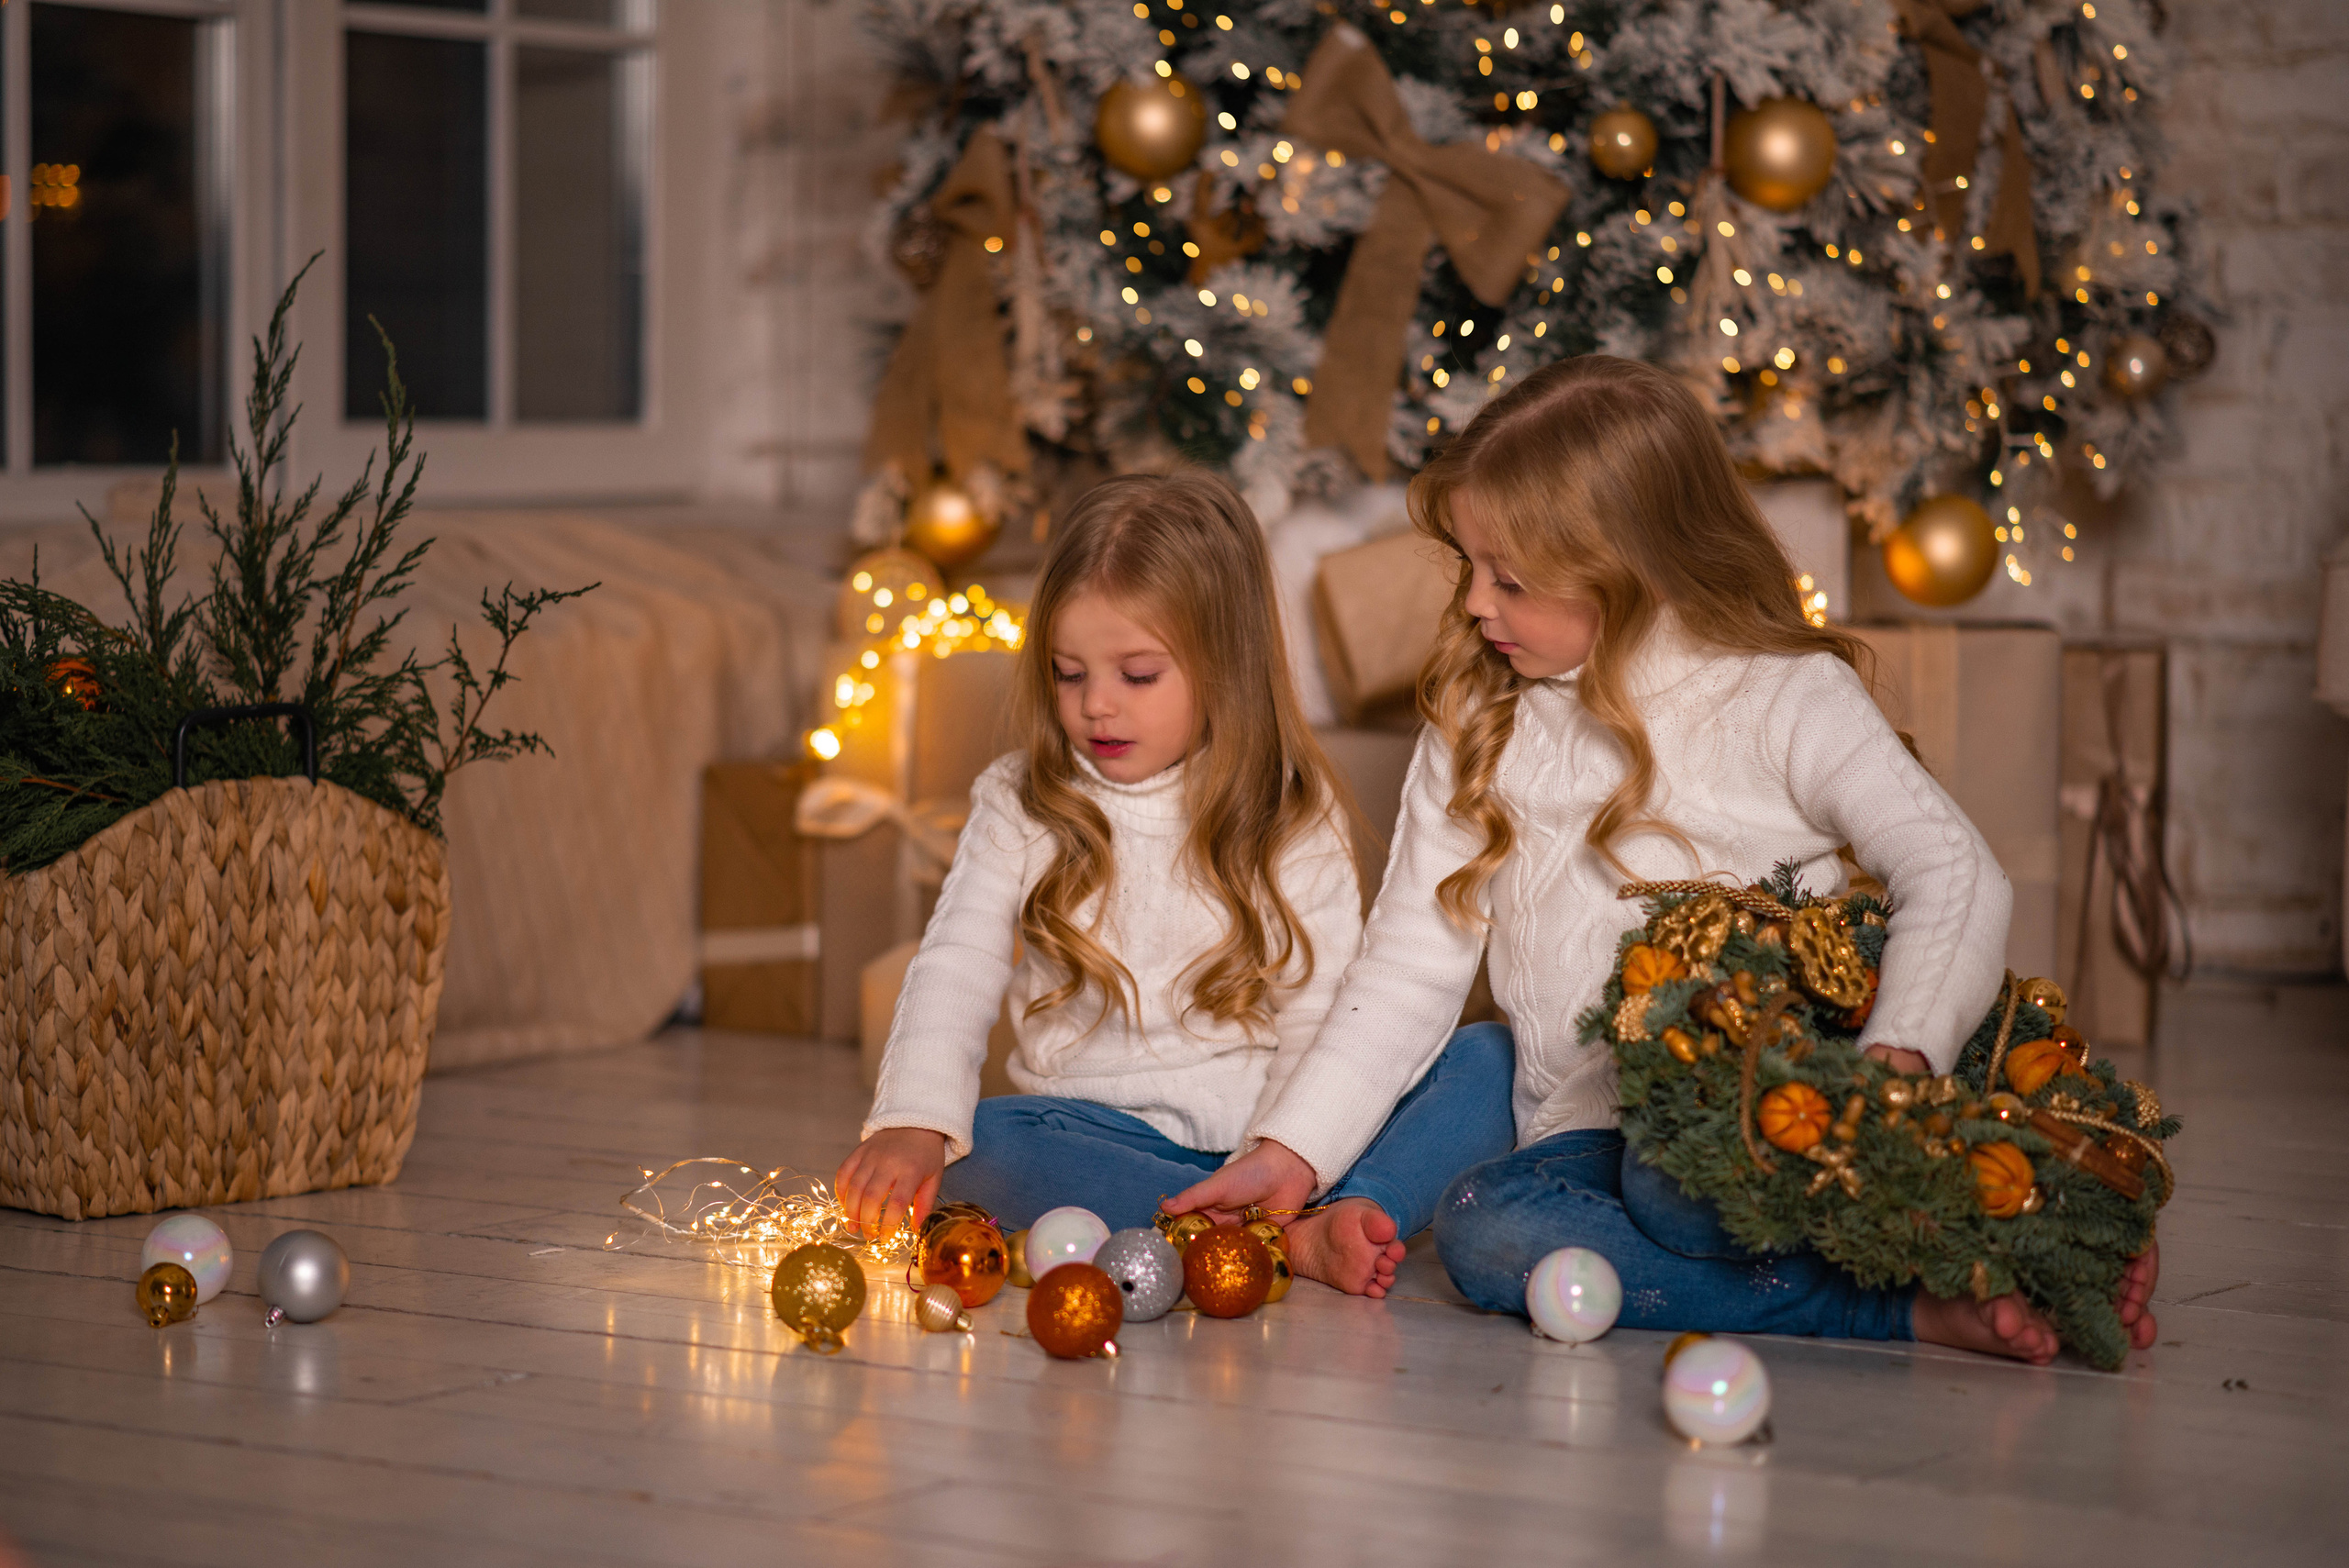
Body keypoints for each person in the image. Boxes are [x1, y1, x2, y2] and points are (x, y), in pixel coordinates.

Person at [1167, 356, 2160, 1362]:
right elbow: (1408, 966)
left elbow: (1955, 871)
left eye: (1506, 578)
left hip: (1747, 1123)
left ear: (1629, 567)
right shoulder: (1479, 714)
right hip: (1567, 1114)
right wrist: (1287, 1149)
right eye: (1468, 565)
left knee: (1660, 1195)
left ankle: (1929, 1263)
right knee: (1484, 1177)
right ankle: (1347, 1204)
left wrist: (1891, 1062)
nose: (1473, 603)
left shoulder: (1783, 697)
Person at [837, 471, 1514, 1295]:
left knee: (1487, 1062)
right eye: (1068, 672)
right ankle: (1273, 1244)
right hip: (1091, 1138)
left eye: (1138, 675)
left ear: (1224, 665)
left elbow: (1321, 1012)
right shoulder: (1019, 800)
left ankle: (1317, 1211)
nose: (1097, 707)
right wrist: (914, 1120)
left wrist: (1291, 1151)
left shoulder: (1291, 810)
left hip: (1278, 1142)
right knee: (984, 1141)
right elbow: (957, 962)